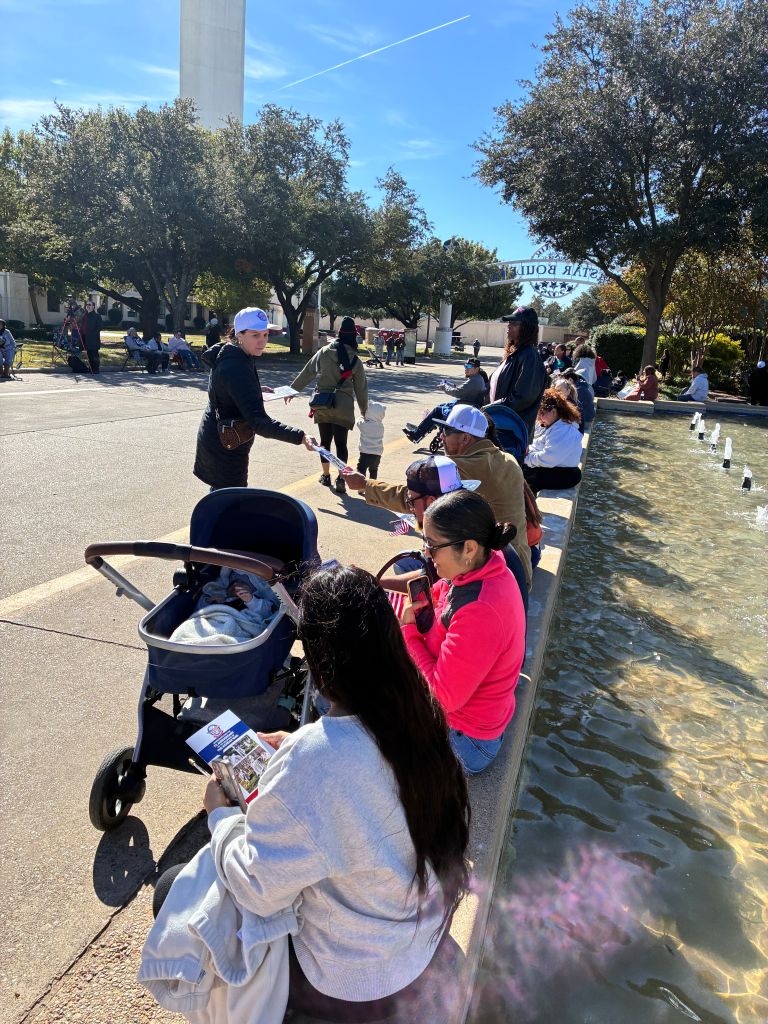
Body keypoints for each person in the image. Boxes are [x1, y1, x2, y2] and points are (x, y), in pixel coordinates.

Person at [200, 564, 470, 1017]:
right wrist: (299, 747)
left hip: (354, 983)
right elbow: (360, 768)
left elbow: (258, 889)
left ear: (319, 662)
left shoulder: (315, 760)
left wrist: (220, 818)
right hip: (419, 941)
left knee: (174, 891)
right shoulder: (420, 716)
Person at [401, 489, 526, 775]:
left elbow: (444, 697)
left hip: (466, 742)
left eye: (432, 546)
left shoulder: (481, 610)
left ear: (468, 548)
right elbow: (443, 597)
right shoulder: (482, 570)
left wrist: (409, 635)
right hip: (474, 717)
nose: (426, 554)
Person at [347, 426, 532, 604]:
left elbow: (430, 584)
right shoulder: (467, 519)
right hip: (520, 580)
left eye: (411, 501)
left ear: (430, 502)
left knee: (404, 570)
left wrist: (374, 584)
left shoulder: (453, 541)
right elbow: (437, 585)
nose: (409, 507)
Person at [193, 307, 316, 490]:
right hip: (225, 445)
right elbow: (259, 422)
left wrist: (254, 390)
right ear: (239, 335)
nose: (262, 342)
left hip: (222, 438)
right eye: (255, 335)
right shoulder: (236, 366)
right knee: (228, 504)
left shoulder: (233, 352)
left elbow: (225, 388)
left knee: (223, 499)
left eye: (265, 335)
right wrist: (301, 437)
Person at [289, 315, 368, 494]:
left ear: (339, 333)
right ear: (353, 336)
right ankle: (341, 478)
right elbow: (361, 389)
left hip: (323, 403)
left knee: (325, 443)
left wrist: (293, 390)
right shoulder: (355, 360)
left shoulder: (324, 352)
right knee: (341, 445)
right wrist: (364, 410)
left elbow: (309, 371)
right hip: (344, 407)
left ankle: (325, 476)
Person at [486, 306, 547, 441]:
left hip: (512, 434)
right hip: (497, 427)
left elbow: (522, 398)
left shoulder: (530, 357)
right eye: (509, 323)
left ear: (526, 328)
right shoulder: (514, 354)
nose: (509, 326)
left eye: (514, 323)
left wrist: (490, 408)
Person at [403, 359, 488, 443]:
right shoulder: (478, 379)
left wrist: (444, 387)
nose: (466, 368)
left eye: (469, 366)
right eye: (465, 366)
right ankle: (423, 427)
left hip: (464, 411)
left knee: (437, 410)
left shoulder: (474, 381)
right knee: (442, 406)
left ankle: (417, 435)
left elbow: (456, 392)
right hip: (467, 407)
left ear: (477, 369)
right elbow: (462, 390)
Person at [523, 388, 584, 493]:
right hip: (556, 469)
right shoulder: (556, 426)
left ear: (554, 411)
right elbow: (537, 445)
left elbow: (548, 459)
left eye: (542, 414)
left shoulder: (562, 430)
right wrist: (526, 452)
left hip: (563, 474)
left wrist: (525, 458)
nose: (539, 418)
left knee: (518, 473)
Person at [356, 400, 386, 480]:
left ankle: (361, 486)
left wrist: (362, 416)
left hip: (365, 453)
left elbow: (358, 422)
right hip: (377, 454)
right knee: (373, 470)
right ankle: (373, 486)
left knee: (361, 469)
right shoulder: (380, 426)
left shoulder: (365, 424)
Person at [79, 299, 102, 373]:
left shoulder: (97, 316)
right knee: (89, 354)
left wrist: (93, 334)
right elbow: (82, 326)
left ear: (93, 307)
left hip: (94, 339)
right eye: (87, 305)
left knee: (94, 355)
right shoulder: (84, 315)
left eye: (90, 305)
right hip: (86, 338)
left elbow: (99, 327)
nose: (88, 306)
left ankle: (96, 369)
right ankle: (91, 368)